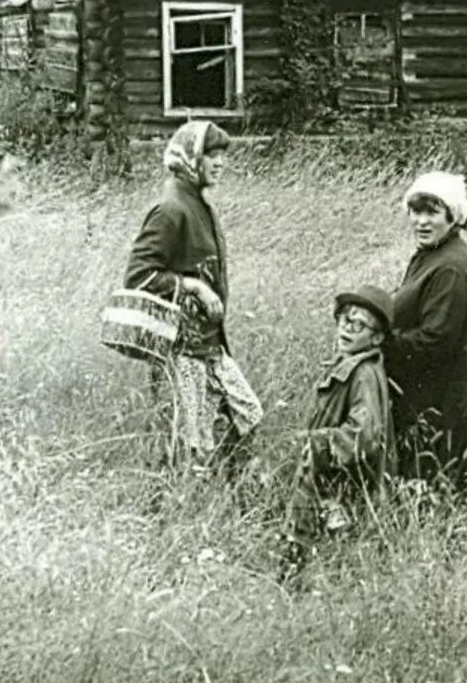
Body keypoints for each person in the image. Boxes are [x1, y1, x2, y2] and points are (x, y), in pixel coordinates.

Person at [123, 121, 262, 467]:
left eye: (221, 156)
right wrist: (192, 285)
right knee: (190, 444)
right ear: (189, 159)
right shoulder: (170, 210)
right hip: (181, 348)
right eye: (210, 155)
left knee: (249, 414)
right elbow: (138, 277)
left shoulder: (200, 204)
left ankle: (231, 485)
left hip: (210, 344)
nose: (220, 163)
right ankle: (181, 501)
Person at [385, 171, 467, 487]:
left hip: (441, 400)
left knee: (441, 480)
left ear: (453, 217)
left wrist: (381, 342)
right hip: (428, 397)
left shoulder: (450, 268)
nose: (421, 221)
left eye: (432, 212)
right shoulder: (432, 255)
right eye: (416, 211)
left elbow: (436, 342)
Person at [281, 285, 398, 577]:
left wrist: (318, 443)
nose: (347, 328)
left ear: (377, 337)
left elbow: (364, 435)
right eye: (345, 319)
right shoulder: (347, 363)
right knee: (314, 543)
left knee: (326, 550)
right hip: (326, 477)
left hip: (342, 482)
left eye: (359, 325)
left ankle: (299, 585)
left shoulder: (364, 375)